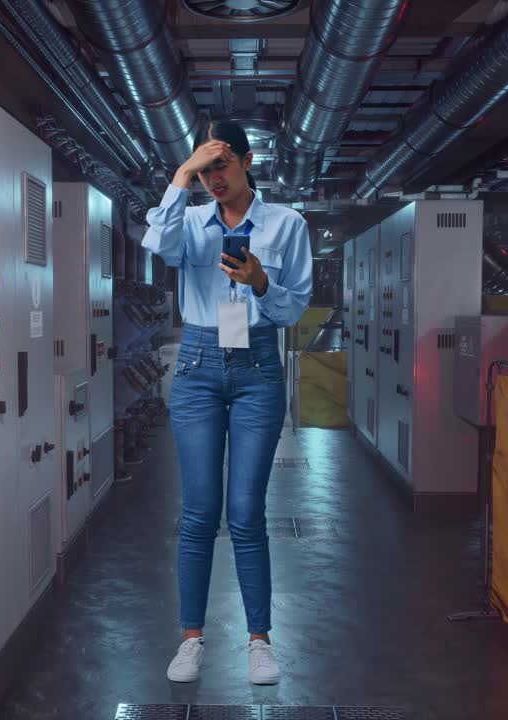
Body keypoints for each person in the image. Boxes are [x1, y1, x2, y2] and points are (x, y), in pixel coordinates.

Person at [142, 120, 312, 686]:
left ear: (246, 162)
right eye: (206, 169)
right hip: (196, 366)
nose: (214, 179)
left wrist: (263, 283)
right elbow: (158, 245)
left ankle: (259, 642)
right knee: (198, 513)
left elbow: (292, 313)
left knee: (245, 514)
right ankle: (191, 639)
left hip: (259, 367)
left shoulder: (287, 224)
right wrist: (180, 174)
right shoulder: (189, 221)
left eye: (222, 165)